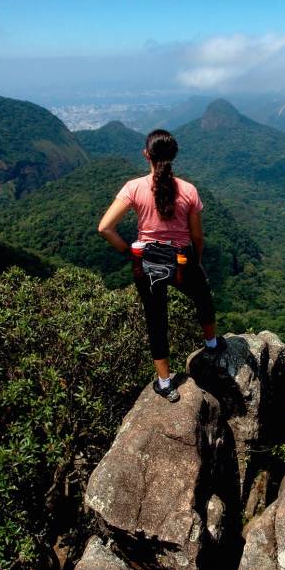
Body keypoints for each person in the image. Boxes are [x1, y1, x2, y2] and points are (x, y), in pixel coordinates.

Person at [98, 129, 226, 402]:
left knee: (156, 319)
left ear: (146, 154)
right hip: (181, 259)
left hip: (147, 262)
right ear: (174, 156)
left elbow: (105, 228)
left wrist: (127, 252)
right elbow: (197, 236)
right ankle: (212, 345)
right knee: (202, 294)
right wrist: (197, 262)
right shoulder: (189, 190)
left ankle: (165, 382)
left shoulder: (133, 188)